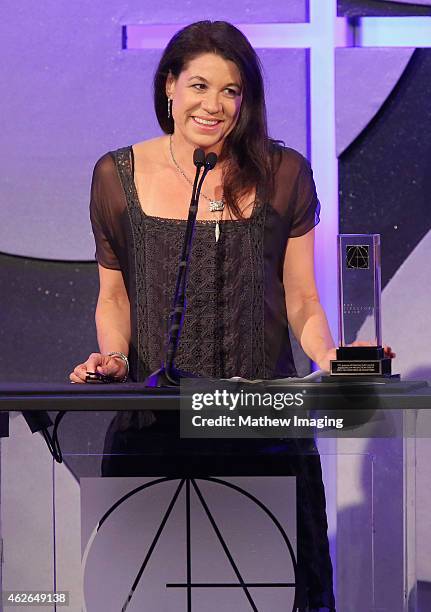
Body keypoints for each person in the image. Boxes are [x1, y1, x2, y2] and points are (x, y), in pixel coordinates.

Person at [70, 20, 340, 611]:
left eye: (230, 91)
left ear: (246, 102)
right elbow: (114, 295)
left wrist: (334, 358)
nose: (212, 105)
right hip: (156, 430)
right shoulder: (118, 176)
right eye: (198, 85)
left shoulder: (283, 172)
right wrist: (114, 357)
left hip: (263, 431)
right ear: (169, 86)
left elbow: (302, 298)